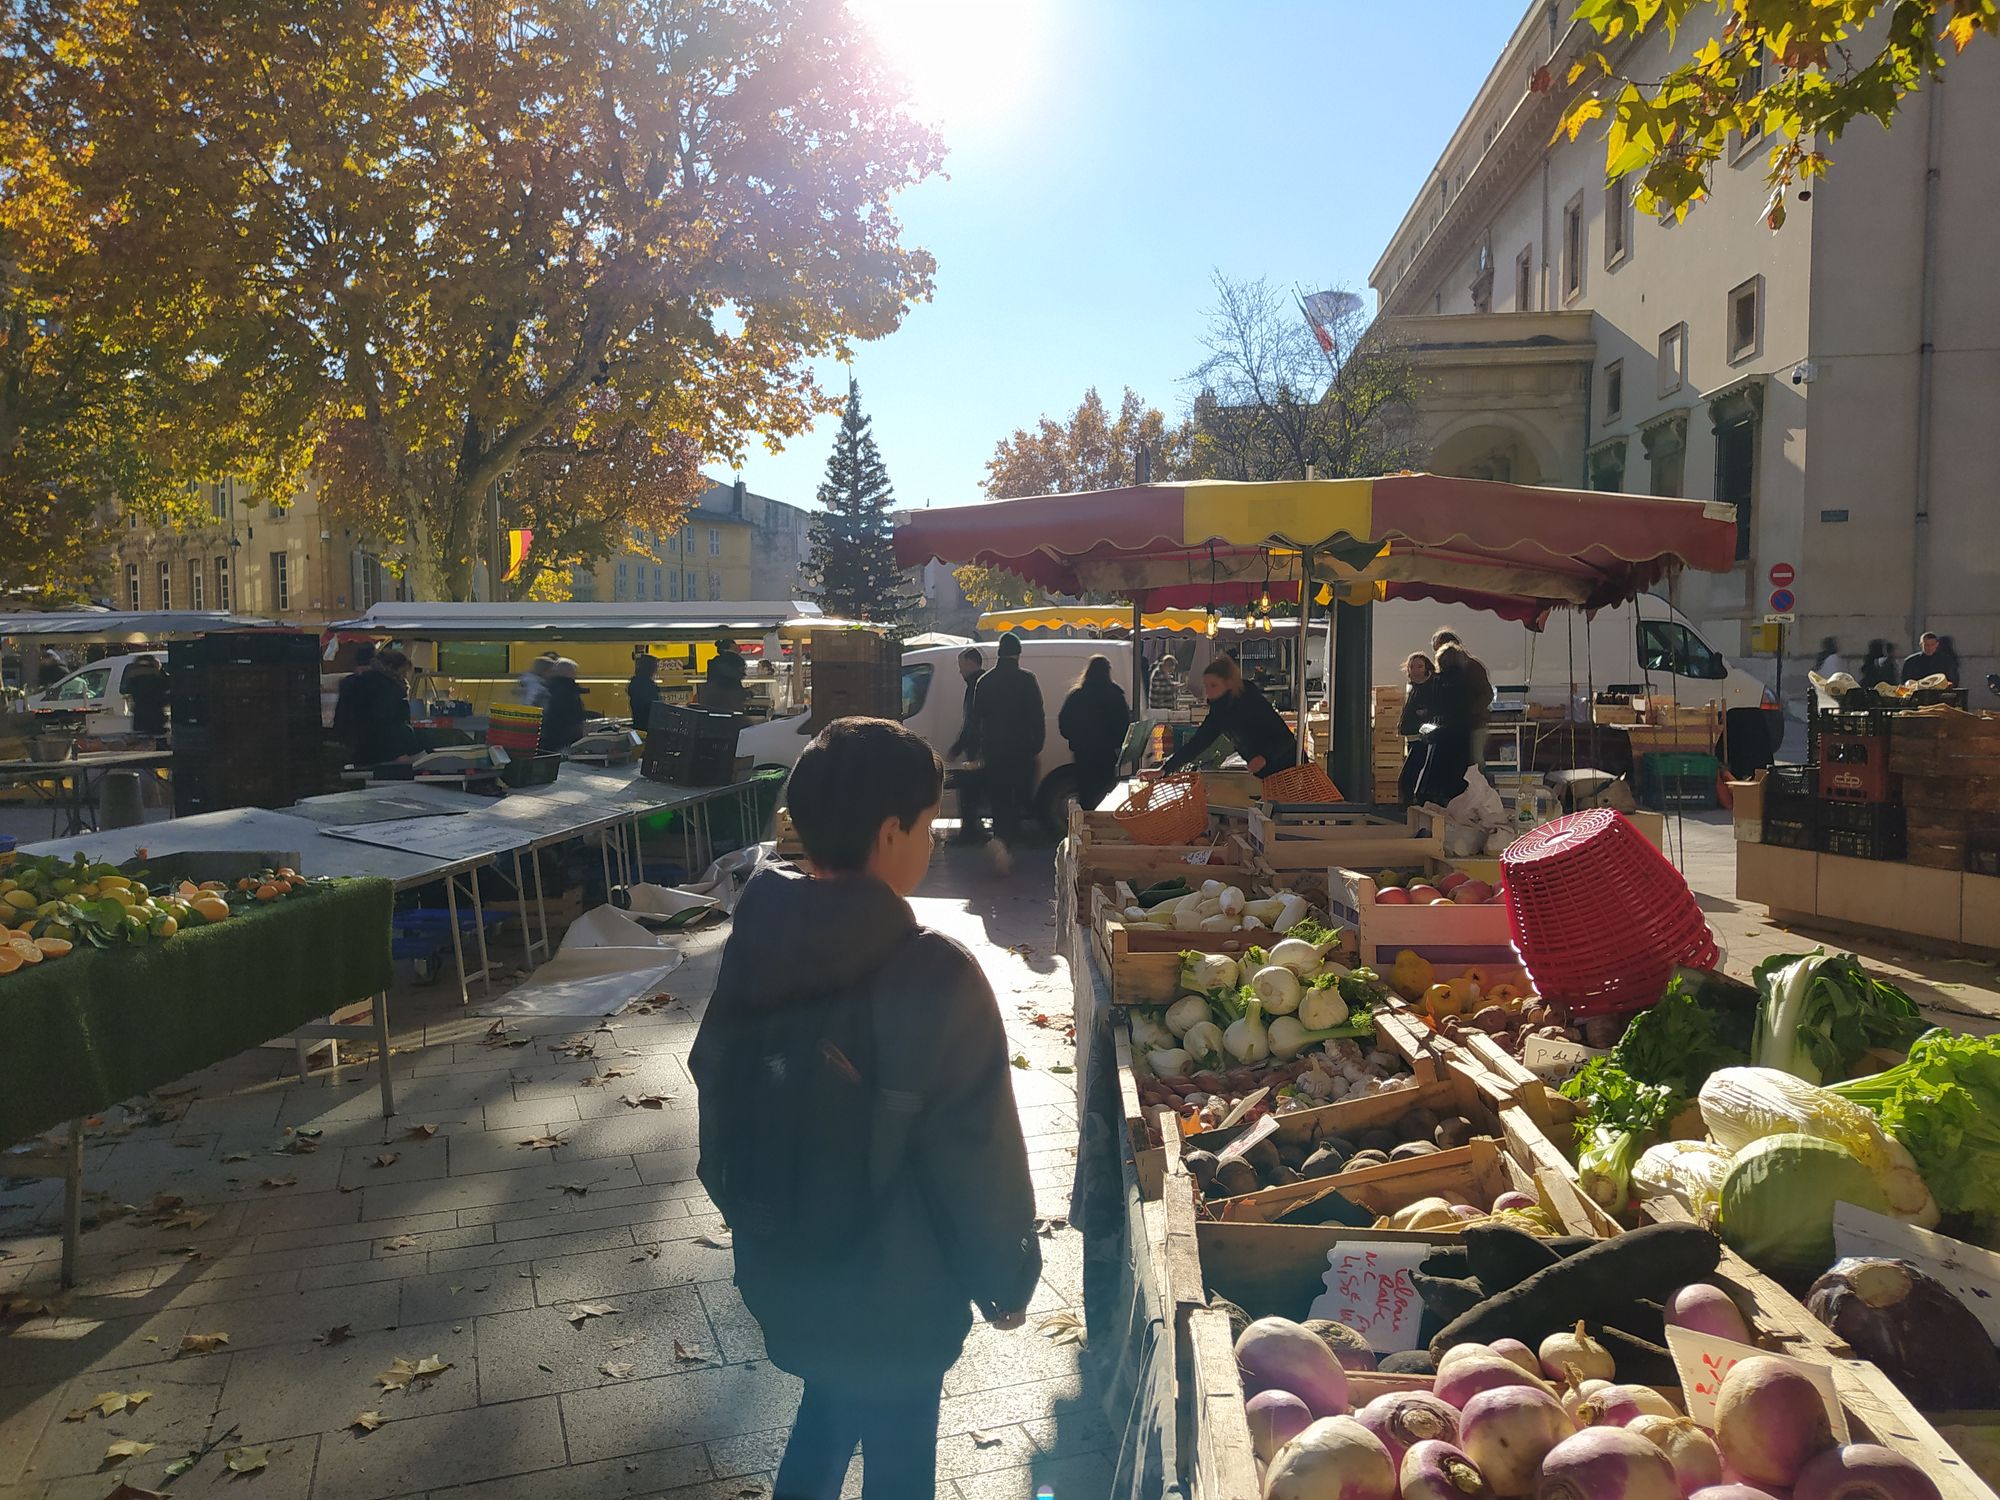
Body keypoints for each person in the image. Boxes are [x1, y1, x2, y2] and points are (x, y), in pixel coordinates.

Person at [689, 717, 1038, 1500]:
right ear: (891, 832)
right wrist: (1005, 1273)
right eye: (927, 825)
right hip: (899, 1285)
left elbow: (714, 1074)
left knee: (829, 1402)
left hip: (786, 1264)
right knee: (900, 1452)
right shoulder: (935, 975)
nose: (932, 843)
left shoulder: (758, 933)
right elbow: (975, 1148)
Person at [1158, 654, 1298, 779]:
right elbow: (1197, 744)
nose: (1208, 692)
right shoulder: (1219, 712)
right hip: (1265, 776)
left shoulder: (1250, 701)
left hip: (1292, 769)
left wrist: (1264, 757)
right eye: (1206, 686)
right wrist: (1165, 769)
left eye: (1213, 685)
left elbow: (1285, 739)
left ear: (1228, 683)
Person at [967, 630, 1044, 849]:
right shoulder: (1027, 680)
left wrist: (977, 752)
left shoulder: (985, 681)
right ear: (1018, 654)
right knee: (1021, 798)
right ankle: (1019, 838)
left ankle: (1002, 841)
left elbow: (975, 720)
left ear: (1000, 653)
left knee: (999, 801)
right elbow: (1037, 716)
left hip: (995, 752)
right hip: (1021, 751)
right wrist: (1036, 745)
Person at [1058, 655, 1131, 813]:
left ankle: (1086, 829)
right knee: (1106, 795)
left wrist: (1075, 739)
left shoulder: (1076, 696)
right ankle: (1103, 829)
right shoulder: (1115, 695)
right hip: (1107, 754)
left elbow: (1064, 723)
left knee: (1087, 794)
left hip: (1083, 754)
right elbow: (1124, 725)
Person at [1412, 643, 1481, 808]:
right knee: (1457, 780)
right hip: (1462, 736)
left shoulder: (1439, 681)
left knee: (1437, 783)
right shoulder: (1466, 681)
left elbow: (1436, 710)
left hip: (1443, 737)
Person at [346, 648, 419, 764]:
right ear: (391, 667)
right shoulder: (386, 689)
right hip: (385, 754)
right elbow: (386, 723)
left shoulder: (357, 682)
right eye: (403, 671)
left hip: (360, 750)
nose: (404, 676)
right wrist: (398, 753)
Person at [945, 648, 988, 845]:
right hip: (982, 749)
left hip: (977, 750)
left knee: (969, 792)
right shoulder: (981, 683)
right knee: (973, 791)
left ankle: (970, 833)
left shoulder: (976, 685)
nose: (960, 670)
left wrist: (956, 748)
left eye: (961, 665)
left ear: (971, 663)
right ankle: (973, 830)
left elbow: (971, 722)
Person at [1396, 652, 1439, 807]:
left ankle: (1409, 806)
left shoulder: (1429, 688)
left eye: (1420, 666)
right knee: (1410, 775)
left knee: (1409, 776)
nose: (1415, 670)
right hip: (1413, 737)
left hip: (1422, 739)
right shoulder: (1414, 687)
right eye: (1412, 667)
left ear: (1427, 668)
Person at [331, 641, 379, 751]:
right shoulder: (380, 681)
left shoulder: (347, 682)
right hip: (373, 734)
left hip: (351, 732)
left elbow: (341, 710)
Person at [541, 658, 588, 750]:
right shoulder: (568, 689)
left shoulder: (549, 686)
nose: (576, 674)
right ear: (568, 672)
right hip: (564, 738)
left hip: (550, 736)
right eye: (574, 671)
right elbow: (571, 714)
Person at [124, 655, 172, 740]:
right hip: (156, 716)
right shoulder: (157, 676)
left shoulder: (133, 676)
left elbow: (128, 689)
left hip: (140, 717)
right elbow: (167, 685)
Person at [705, 637, 749, 713]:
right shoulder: (735, 659)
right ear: (732, 646)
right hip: (731, 699)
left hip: (715, 699)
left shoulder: (715, 660)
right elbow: (737, 676)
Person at [627, 654, 662, 729]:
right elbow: (655, 710)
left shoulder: (635, 684)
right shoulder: (648, 687)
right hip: (648, 727)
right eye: (655, 667)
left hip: (639, 724)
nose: (656, 670)